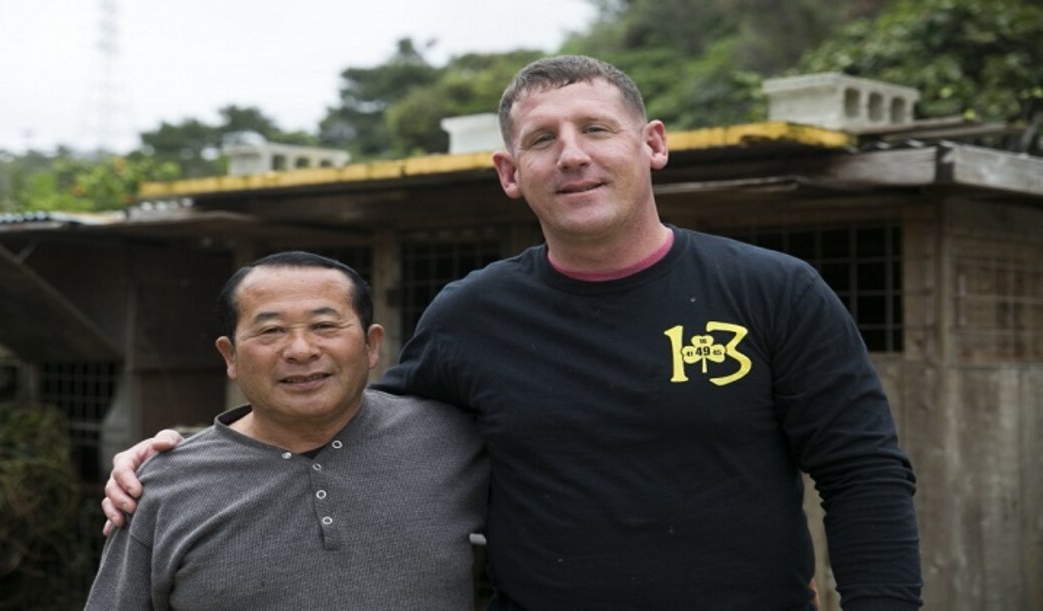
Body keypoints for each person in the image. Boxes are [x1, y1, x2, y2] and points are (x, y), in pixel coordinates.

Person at [103, 56, 922, 610]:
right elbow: (344, 418)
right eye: (542, 140)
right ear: (509, 172)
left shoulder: (771, 290)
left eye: (596, 129)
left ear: (653, 144)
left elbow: (863, 474)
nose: (572, 156)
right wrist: (183, 448)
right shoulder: (471, 314)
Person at [87, 251, 488, 609]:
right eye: (271, 330)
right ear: (230, 356)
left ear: (371, 344)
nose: (300, 349)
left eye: (325, 326)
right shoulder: (160, 488)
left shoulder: (454, 439)